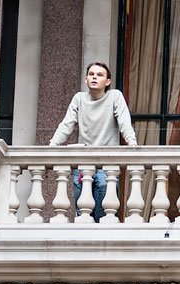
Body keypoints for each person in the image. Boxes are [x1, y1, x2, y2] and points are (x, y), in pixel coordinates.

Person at [48, 61, 138, 220]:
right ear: (86, 79)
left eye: (100, 75)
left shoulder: (114, 96)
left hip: (107, 165)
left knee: (104, 213)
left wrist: (132, 144)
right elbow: (66, 125)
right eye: (91, 74)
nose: (95, 77)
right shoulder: (79, 99)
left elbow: (124, 122)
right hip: (83, 164)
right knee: (83, 213)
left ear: (108, 82)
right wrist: (51, 146)